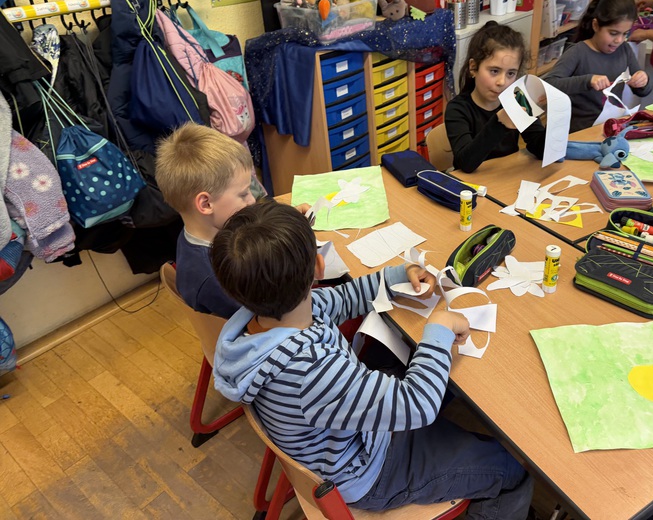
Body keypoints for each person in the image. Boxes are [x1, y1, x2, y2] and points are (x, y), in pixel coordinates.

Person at [211, 200, 534, 518]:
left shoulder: (268, 319)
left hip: (341, 439)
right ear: (318, 268)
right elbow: (418, 405)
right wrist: (439, 328)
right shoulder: (310, 370)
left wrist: (401, 275)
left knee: (438, 373)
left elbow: (345, 298)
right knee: (509, 470)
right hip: (369, 472)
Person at [154, 123, 260, 317]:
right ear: (206, 204)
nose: (252, 200)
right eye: (243, 194)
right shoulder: (216, 279)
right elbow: (264, 319)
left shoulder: (201, 230)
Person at [445, 21, 545, 173]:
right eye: (494, 71)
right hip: (473, 183)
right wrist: (500, 123)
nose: (502, 82)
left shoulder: (518, 99)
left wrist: (556, 120)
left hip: (507, 177)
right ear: (473, 68)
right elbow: (465, 164)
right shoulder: (458, 109)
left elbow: (540, 149)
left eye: (511, 73)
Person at [543, 0, 652, 132]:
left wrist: (643, 80)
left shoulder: (624, 49)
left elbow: (643, 91)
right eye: (613, 33)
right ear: (595, 25)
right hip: (578, 132)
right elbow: (549, 84)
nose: (619, 40)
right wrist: (588, 81)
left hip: (609, 128)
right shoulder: (578, 52)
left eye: (625, 34)